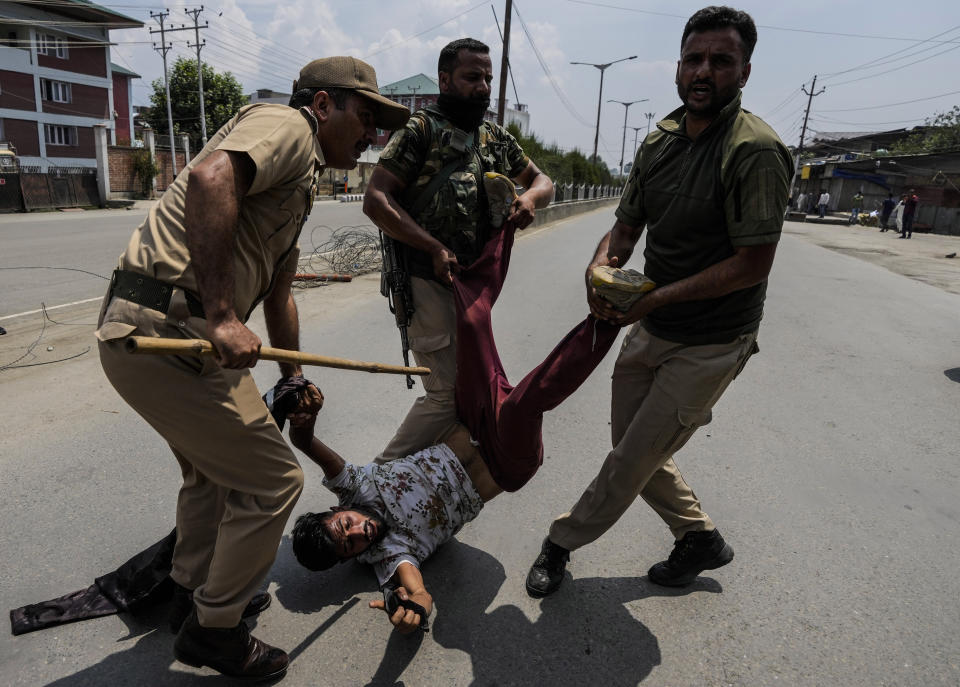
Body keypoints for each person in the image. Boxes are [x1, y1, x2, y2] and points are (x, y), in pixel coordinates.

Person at [96, 57, 409, 680]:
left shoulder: (301, 181)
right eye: (365, 115)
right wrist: (219, 314)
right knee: (274, 482)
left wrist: (291, 378)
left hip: (180, 336)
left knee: (214, 476)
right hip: (167, 330)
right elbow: (210, 177)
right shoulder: (288, 126)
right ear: (323, 104)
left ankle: (193, 593)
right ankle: (215, 630)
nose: (372, 133)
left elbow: (280, 293)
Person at [524, 5, 793, 597]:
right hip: (651, 325)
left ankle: (559, 543)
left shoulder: (755, 151)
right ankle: (698, 538)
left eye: (720, 61)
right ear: (677, 67)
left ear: (744, 72)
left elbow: (752, 264)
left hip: (712, 341)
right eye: (694, 59)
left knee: (629, 461)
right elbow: (625, 228)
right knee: (633, 448)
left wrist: (651, 300)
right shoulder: (661, 141)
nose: (704, 72)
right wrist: (601, 267)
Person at [288, 222, 623, 633]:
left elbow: (310, 447)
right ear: (351, 558)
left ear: (337, 510)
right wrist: (415, 608)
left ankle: (506, 223)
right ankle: (609, 316)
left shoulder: (355, 487)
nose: (361, 531)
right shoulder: (390, 553)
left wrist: (302, 426)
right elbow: (417, 588)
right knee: (525, 404)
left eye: (346, 526)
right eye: (352, 545)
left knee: (471, 322)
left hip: (473, 420)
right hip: (505, 462)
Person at [364, 37, 554, 463]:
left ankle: (418, 495)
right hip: (423, 277)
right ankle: (373, 483)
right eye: (473, 77)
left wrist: (530, 200)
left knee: (470, 393)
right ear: (445, 80)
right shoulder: (420, 131)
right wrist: (431, 245)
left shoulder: (494, 137)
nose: (483, 86)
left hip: (471, 287)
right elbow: (376, 199)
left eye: (488, 78)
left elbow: (544, 181)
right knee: (447, 395)